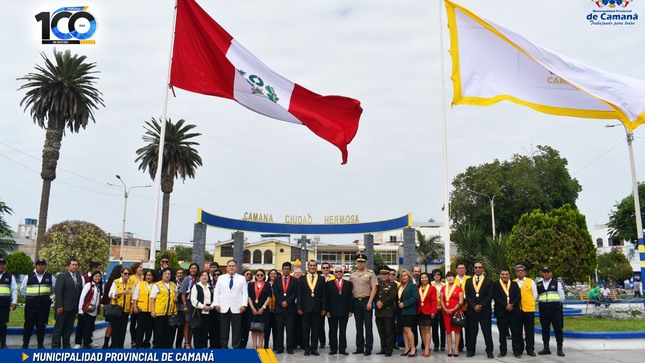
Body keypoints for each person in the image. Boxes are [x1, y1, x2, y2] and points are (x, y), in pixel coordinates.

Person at [213, 259, 248, 349]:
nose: (231, 267)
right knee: (224, 330)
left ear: (236, 268)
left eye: (233, 266)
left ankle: (236, 347)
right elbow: (217, 292)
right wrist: (216, 304)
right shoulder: (221, 278)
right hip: (223, 307)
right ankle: (224, 347)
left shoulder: (242, 278)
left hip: (237, 307)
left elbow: (245, 293)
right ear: (226, 268)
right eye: (230, 266)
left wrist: (244, 305)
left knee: (237, 330)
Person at [349, 253, 378, 356]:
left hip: (367, 301)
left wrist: (370, 302)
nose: (360, 264)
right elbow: (350, 290)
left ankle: (368, 348)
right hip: (356, 302)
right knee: (358, 326)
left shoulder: (370, 273)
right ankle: (359, 347)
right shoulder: (352, 274)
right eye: (358, 262)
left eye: (362, 262)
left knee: (368, 326)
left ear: (365, 263)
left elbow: (374, 288)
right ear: (356, 263)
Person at [51, 257, 83, 348]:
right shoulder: (62, 276)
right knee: (58, 329)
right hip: (63, 308)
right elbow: (59, 292)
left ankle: (66, 345)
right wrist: (59, 306)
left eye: (76, 265)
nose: (74, 266)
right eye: (72, 265)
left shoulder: (79, 278)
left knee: (68, 329)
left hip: (72, 309)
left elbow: (79, 293)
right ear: (68, 266)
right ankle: (56, 347)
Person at [464, 261, 494, 358]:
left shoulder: (489, 281)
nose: (478, 269)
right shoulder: (468, 281)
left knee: (487, 332)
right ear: (474, 269)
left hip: (484, 311)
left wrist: (481, 305)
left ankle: (489, 351)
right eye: (476, 267)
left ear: (483, 269)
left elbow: (490, 296)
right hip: (472, 311)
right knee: (472, 332)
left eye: (480, 267)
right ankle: (471, 350)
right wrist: (474, 306)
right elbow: (467, 296)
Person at [297, 260, 326, 356]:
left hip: (317, 309)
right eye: (311, 265)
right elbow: (299, 294)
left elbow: (324, 295)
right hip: (305, 309)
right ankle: (306, 348)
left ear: (316, 267)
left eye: (314, 266)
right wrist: (299, 307)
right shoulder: (302, 278)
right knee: (305, 330)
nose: (312, 267)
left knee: (315, 330)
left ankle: (314, 348)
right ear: (308, 267)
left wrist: (323, 308)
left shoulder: (321, 279)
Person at [537, 266, 565, 357]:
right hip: (543, 310)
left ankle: (559, 349)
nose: (546, 274)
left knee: (558, 329)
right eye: (544, 272)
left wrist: (554, 304)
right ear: (542, 273)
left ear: (551, 273)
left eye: (548, 272)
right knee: (545, 329)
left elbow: (562, 297)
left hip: (555, 310)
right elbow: (536, 297)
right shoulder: (539, 284)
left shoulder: (557, 284)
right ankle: (546, 348)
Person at [325, 266, 353, 355]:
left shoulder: (348, 284)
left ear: (343, 273)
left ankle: (342, 349)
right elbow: (326, 298)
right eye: (337, 272)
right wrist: (327, 310)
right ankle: (333, 348)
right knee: (333, 330)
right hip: (332, 311)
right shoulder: (329, 283)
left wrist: (350, 310)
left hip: (344, 310)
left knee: (343, 330)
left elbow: (350, 298)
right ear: (334, 273)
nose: (339, 273)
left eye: (340, 271)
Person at [493, 268, 521, 358]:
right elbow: (495, 297)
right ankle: (503, 351)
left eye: (506, 274)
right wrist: (506, 305)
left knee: (515, 333)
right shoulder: (496, 284)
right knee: (502, 333)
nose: (504, 276)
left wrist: (512, 304)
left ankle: (516, 351)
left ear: (509, 275)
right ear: (500, 275)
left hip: (514, 312)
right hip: (502, 312)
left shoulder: (514, 284)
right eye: (503, 274)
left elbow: (518, 296)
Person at [74, 261, 102, 349]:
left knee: (89, 327)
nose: (97, 277)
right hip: (86, 309)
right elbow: (82, 296)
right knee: (82, 326)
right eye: (96, 276)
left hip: (93, 310)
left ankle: (88, 341)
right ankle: (79, 342)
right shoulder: (87, 283)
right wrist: (80, 309)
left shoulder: (98, 286)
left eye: (99, 276)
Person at [150, 267, 178, 348]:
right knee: (160, 332)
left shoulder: (173, 285)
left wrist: (176, 298)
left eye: (169, 274)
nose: (167, 275)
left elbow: (175, 295)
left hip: (171, 312)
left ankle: (168, 348)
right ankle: (159, 348)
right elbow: (152, 298)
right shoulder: (157, 285)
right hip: (160, 312)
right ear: (162, 275)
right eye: (165, 274)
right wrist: (153, 311)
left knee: (170, 332)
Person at [273, 262, 297, 354]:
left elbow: (295, 293)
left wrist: (287, 302)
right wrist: (281, 302)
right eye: (284, 268)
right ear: (282, 269)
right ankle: (279, 347)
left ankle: (289, 347)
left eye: (288, 269)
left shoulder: (294, 280)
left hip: (290, 308)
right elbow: (275, 292)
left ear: (290, 270)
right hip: (279, 308)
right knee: (279, 329)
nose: (286, 270)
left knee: (290, 329)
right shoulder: (277, 280)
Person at [513, 264, 537, 357]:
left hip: (529, 309)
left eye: (522, 270)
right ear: (515, 272)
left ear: (525, 272)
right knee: (518, 331)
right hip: (517, 310)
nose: (520, 272)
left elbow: (534, 295)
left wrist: (530, 303)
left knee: (529, 330)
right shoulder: (513, 282)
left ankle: (530, 349)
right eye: (518, 270)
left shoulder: (530, 281)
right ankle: (519, 349)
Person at [108, 266, 134, 348]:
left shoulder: (131, 283)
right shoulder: (116, 282)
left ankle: (120, 346)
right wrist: (121, 292)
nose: (127, 275)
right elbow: (110, 294)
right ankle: (114, 345)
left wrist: (132, 306)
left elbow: (133, 297)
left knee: (123, 330)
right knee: (115, 329)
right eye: (125, 273)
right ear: (121, 274)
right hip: (117, 309)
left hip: (126, 310)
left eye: (128, 274)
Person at [441, 271, 464, 357]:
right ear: (446, 278)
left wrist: (453, 309)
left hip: (456, 312)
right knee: (448, 331)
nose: (450, 278)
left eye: (452, 276)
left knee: (457, 331)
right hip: (446, 312)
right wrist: (445, 309)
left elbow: (461, 301)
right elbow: (442, 300)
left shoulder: (459, 288)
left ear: (454, 278)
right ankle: (450, 348)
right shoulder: (443, 288)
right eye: (448, 276)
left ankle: (456, 348)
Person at [375, 269, 398, 357]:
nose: (384, 276)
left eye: (386, 275)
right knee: (381, 331)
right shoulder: (379, 284)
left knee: (389, 331)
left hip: (388, 311)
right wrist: (377, 302)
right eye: (382, 275)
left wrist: (382, 303)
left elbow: (392, 296)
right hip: (379, 311)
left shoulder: (393, 285)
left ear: (389, 275)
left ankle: (389, 349)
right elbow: (375, 295)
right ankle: (383, 348)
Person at [247, 269, 271, 349]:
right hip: (252, 310)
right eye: (258, 275)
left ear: (264, 276)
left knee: (261, 328)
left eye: (261, 275)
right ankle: (254, 346)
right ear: (255, 276)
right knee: (254, 328)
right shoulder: (250, 285)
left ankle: (260, 346)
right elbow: (249, 297)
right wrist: (252, 308)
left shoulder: (267, 285)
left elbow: (269, 297)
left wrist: (263, 308)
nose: (259, 276)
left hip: (263, 310)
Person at [397, 269, 419, 357]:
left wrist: (405, 303)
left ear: (409, 276)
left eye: (405, 275)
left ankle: (413, 348)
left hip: (409, 311)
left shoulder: (412, 286)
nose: (403, 277)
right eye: (402, 276)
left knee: (408, 329)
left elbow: (415, 297)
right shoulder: (400, 287)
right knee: (404, 330)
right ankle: (406, 348)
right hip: (401, 311)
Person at [132, 269, 155, 348]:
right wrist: (134, 306)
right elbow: (135, 296)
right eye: (147, 275)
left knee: (149, 328)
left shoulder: (155, 285)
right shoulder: (140, 284)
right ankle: (138, 343)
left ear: (153, 276)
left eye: (150, 275)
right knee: (140, 328)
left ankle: (146, 342)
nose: (148, 277)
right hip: (141, 309)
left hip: (151, 310)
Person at [100, 265, 122, 348]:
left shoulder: (109, 281)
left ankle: (106, 343)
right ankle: (110, 343)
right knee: (113, 326)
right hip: (115, 307)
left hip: (109, 308)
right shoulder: (116, 282)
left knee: (110, 325)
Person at [191, 270, 214, 349]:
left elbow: (214, 299)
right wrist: (203, 306)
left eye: (206, 275)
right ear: (199, 277)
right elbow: (193, 300)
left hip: (209, 312)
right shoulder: (196, 286)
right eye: (202, 275)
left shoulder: (210, 287)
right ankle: (197, 349)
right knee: (197, 332)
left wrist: (212, 306)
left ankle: (204, 348)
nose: (204, 277)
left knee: (205, 331)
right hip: (198, 312)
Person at [417, 272, 437, 357]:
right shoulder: (418, 288)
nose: (424, 279)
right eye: (422, 278)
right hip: (419, 311)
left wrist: (433, 311)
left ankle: (427, 349)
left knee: (427, 329)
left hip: (428, 311)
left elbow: (434, 300)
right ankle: (426, 347)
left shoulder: (432, 288)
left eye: (425, 277)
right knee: (422, 329)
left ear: (428, 279)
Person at [180, 264, 199, 349]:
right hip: (187, 303)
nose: (193, 270)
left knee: (192, 324)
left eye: (195, 268)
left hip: (196, 304)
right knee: (187, 323)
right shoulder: (186, 279)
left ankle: (190, 341)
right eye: (192, 268)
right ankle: (186, 342)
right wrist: (184, 305)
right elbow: (183, 293)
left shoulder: (198, 279)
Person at [0, 257, 17, 349]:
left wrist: (14, 302)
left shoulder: (9, 276)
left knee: (2, 324)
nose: (1, 266)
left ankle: (3, 344)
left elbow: (14, 289)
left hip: (4, 305)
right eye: (0, 264)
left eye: (3, 264)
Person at [127, 262, 144, 349]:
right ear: (135, 269)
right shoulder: (132, 278)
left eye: (142, 267)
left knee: (140, 324)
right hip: (133, 303)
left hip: (142, 304)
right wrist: (131, 305)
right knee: (133, 323)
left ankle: (139, 340)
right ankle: (133, 340)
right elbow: (131, 292)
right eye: (139, 267)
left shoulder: (143, 278)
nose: (141, 269)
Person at [455, 262, 470, 353]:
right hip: (457, 307)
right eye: (459, 268)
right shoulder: (453, 279)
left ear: (465, 269)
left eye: (463, 268)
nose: (461, 269)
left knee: (468, 328)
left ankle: (469, 345)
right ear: (456, 269)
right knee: (458, 328)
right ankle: (459, 346)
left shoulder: (469, 279)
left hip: (467, 307)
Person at [318, 262, 334, 349]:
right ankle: (322, 342)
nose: (325, 269)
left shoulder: (334, 277)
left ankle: (332, 341)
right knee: (320, 325)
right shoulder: (318, 278)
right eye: (323, 268)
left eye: (327, 268)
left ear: (330, 268)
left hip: (331, 304)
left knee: (332, 325)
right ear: (321, 269)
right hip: (320, 304)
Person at [430, 269, 446, 352]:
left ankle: (443, 345)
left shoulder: (445, 285)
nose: (436, 276)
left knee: (443, 328)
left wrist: (442, 306)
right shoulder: (430, 285)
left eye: (438, 274)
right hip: (434, 308)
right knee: (434, 327)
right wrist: (435, 306)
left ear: (440, 276)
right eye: (435, 274)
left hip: (443, 308)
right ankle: (436, 345)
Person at [263, 268, 278, 349]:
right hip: (267, 310)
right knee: (266, 328)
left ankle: (276, 345)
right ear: (268, 275)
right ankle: (266, 344)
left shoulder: (279, 284)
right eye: (271, 273)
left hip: (276, 309)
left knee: (276, 329)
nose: (273, 275)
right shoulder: (265, 284)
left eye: (274, 273)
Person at [209, 268, 222, 349]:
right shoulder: (209, 284)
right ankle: (212, 344)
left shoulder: (224, 284)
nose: (216, 276)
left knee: (220, 327)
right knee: (212, 328)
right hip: (211, 308)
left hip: (221, 308)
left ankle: (220, 344)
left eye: (218, 274)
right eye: (215, 274)